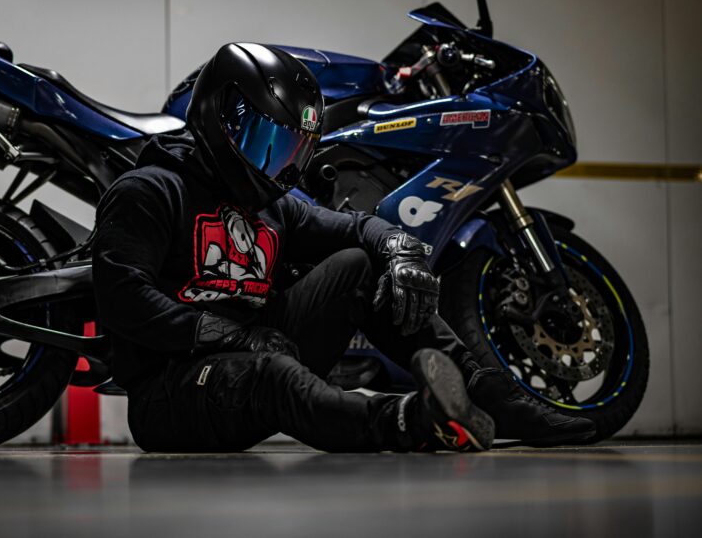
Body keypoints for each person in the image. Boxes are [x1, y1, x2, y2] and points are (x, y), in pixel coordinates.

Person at [92, 43, 595, 453]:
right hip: (173, 391)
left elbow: (357, 228)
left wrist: (400, 250)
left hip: (263, 347)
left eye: (290, 151)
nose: (277, 167)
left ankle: (489, 394)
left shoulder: (275, 206)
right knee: (275, 375)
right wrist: (229, 336)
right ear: (218, 115)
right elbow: (122, 298)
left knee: (361, 265)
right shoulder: (150, 190)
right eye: (265, 143)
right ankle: (412, 421)